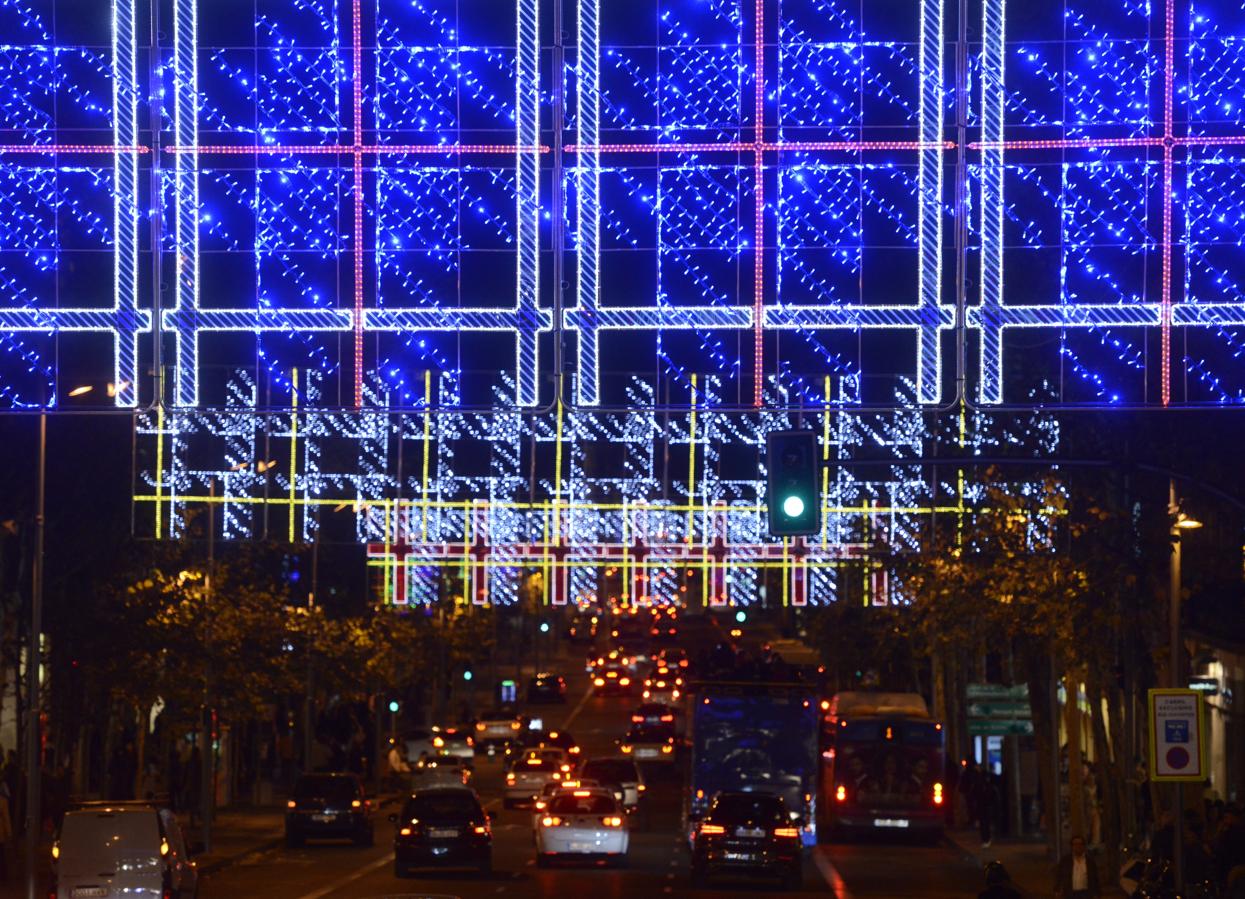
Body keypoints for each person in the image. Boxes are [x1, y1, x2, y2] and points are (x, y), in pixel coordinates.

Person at [1055, 834, 1101, 899]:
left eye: (1080, 844)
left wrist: (1097, 894)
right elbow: (1059, 876)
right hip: (1070, 894)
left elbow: (1095, 879)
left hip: (1086, 894)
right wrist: (1057, 890)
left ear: (1084, 846)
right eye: (1075, 844)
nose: (1078, 846)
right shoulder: (1065, 861)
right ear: (1072, 846)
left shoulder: (1090, 862)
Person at [973, 764, 1000, 848]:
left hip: (984, 808)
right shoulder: (989, 786)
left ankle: (986, 839)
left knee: (984, 824)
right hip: (986, 808)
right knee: (985, 824)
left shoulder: (984, 786)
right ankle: (986, 839)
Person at [0, 782, 11, 882]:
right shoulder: (3, 801)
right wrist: (9, 833)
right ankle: (3, 876)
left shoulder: (3, 801)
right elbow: (6, 818)